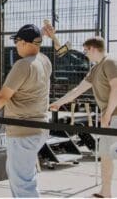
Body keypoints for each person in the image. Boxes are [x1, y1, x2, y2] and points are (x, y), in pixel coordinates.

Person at [0, 24, 52, 197]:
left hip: (24, 132)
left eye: (16, 41)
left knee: (22, 183)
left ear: (24, 42)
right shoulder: (44, 60)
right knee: (23, 178)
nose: (15, 45)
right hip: (39, 127)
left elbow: (2, 97)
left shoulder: (23, 65)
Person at [50, 37, 117, 198]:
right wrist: (57, 104)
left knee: (108, 154)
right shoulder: (95, 70)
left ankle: (106, 193)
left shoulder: (110, 62)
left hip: (114, 116)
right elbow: (77, 91)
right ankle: (105, 192)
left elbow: (116, 88)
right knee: (106, 155)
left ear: (93, 48)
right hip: (111, 116)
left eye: (86, 50)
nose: (85, 54)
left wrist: (107, 115)